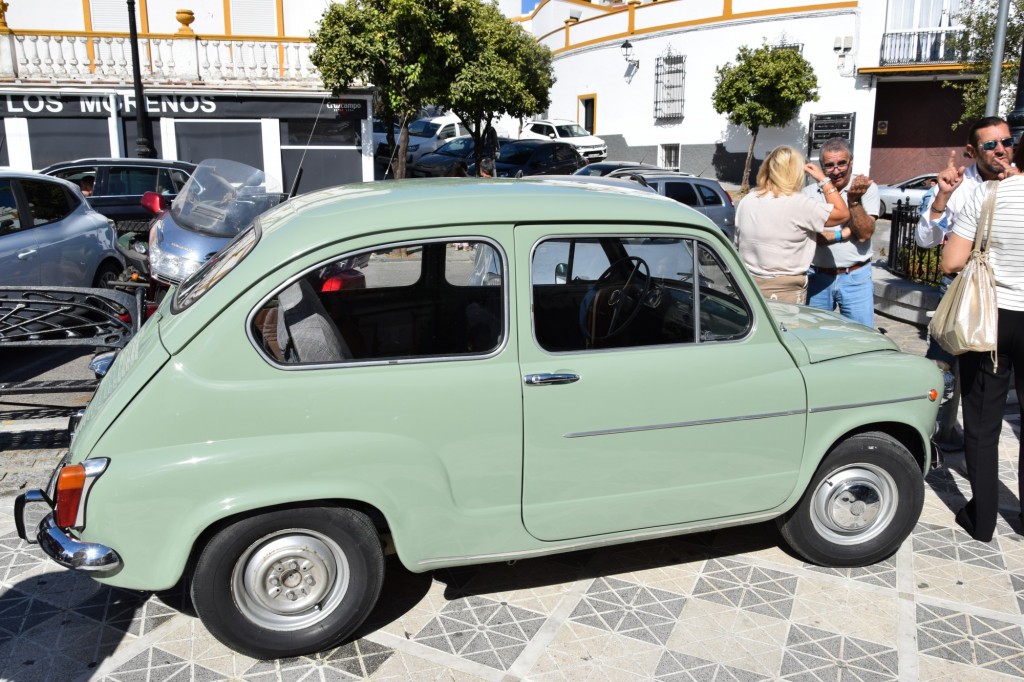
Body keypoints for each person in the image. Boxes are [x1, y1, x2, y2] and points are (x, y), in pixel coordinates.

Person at [916, 117, 1018, 448]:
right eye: (990, 145)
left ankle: (962, 433)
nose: (1001, 149)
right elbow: (925, 240)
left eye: (1006, 141)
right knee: (942, 369)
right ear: (972, 151)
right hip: (964, 291)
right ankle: (929, 433)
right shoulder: (957, 187)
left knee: (986, 381)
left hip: (1009, 300)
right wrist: (942, 198)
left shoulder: (1018, 182)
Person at [940, 172, 1024, 542]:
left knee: (982, 423)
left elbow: (951, 262)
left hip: (991, 319)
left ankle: (983, 519)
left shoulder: (989, 193)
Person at [734, 145, 849, 304]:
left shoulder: (748, 200)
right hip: (785, 291)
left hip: (747, 284)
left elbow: (738, 242)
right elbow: (842, 213)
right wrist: (824, 181)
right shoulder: (798, 204)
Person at [802, 137, 880, 327]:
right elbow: (814, 237)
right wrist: (844, 233)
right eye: (829, 165)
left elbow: (864, 233)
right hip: (818, 276)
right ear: (821, 167)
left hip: (855, 277)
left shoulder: (864, 188)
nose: (836, 171)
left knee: (861, 339)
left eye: (841, 163)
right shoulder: (809, 193)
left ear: (851, 162)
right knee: (815, 338)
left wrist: (854, 202)